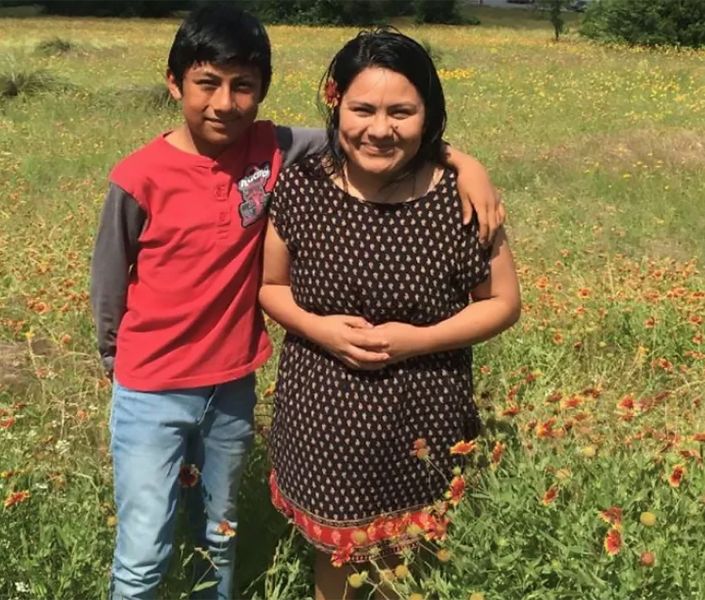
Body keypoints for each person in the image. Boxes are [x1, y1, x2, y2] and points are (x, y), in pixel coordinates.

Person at [90, 5, 504, 599]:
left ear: (262, 91)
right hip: (150, 385)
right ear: (173, 80)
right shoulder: (138, 176)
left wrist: (464, 161)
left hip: (232, 383)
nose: (224, 103)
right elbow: (108, 281)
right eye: (206, 83)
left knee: (220, 531)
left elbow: (374, 134)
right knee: (144, 546)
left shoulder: (273, 147)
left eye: (244, 87)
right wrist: (115, 362)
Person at [259, 28, 522, 600]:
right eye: (363, 109)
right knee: (336, 561)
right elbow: (270, 285)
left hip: (423, 410)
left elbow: (503, 303)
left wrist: (419, 339)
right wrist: (316, 327)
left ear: (430, 115)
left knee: (410, 564)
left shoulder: (460, 199)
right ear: (335, 104)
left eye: (402, 111)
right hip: (323, 414)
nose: (380, 129)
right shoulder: (302, 187)